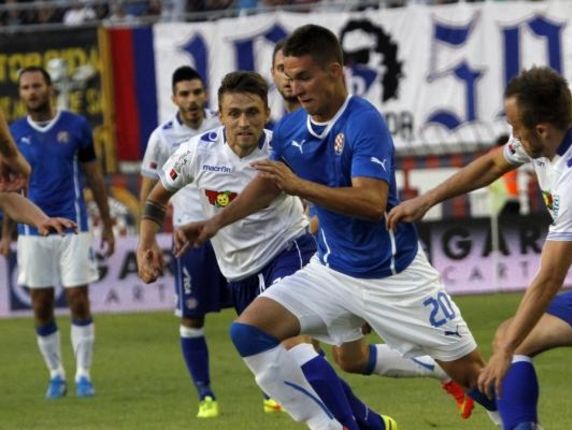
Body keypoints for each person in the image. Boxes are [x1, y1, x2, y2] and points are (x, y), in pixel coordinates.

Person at [177, 24, 498, 428]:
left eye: (304, 77)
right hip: (330, 273)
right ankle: (328, 425)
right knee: (250, 332)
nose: (295, 88)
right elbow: (269, 185)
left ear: (335, 71)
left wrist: (299, 186)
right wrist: (214, 223)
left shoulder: (364, 122)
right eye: (289, 78)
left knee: (476, 378)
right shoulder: (292, 128)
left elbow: (371, 203)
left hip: (393, 277)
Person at [388, 66, 572, 430]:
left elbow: (551, 276)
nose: (512, 135)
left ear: (541, 129)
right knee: (511, 336)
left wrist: (506, 352)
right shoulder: (549, 139)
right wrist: (427, 200)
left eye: (514, 126)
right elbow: (492, 164)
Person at [139, 70, 393, 430]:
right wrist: (146, 243)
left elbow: (330, 197)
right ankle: (371, 422)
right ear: (220, 115)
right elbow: (156, 199)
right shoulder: (196, 152)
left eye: (252, 113)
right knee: (293, 360)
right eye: (234, 113)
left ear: (267, 112)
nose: (244, 123)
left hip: (289, 251)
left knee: (295, 345)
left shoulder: (285, 150)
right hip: (239, 273)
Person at [271, 35, 474, 419]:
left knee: (288, 334)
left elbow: (359, 195)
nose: (290, 81)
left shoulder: (353, 120)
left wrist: (311, 207)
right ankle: (434, 375)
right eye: (282, 71)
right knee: (350, 358)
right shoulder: (283, 130)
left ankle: (348, 421)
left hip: (368, 259)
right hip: (331, 255)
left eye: (298, 73)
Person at [8, 66, 115, 399]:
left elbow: (94, 177)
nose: (32, 92)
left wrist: (107, 224)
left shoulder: (77, 126)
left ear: (50, 88)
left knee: (78, 299)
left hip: (74, 226)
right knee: (40, 304)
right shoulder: (13, 132)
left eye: (37, 85)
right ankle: (56, 374)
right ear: (20, 93)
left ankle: (83, 374)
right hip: (31, 231)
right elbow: (7, 188)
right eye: (25, 87)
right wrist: (6, 233)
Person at [138, 66, 231, 418]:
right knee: (192, 317)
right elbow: (149, 193)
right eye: (184, 94)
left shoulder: (224, 123)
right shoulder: (162, 138)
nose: (192, 100)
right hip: (189, 239)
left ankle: (273, 391)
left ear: (205, 93)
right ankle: (205, 395)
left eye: (196, 92)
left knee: (256, 310)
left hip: (231, 231)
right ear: (174, 98)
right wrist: (147, 240)